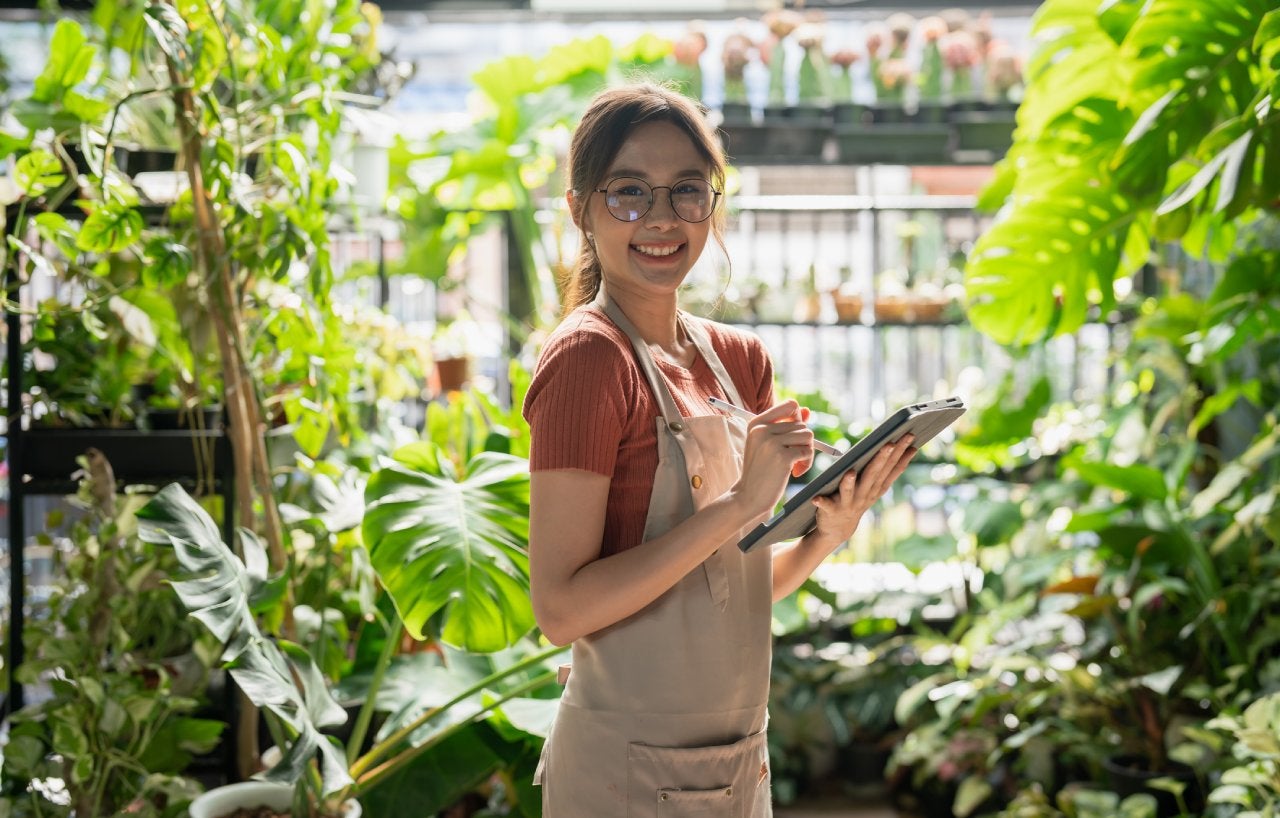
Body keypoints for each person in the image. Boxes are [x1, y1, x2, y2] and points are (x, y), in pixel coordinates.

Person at [522, 82, 917, 816]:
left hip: (738, 764)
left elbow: (725, 592)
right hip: (623, 774)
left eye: (687, 192)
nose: (663, 220)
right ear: (579, 208)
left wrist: (826, 536)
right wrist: (740, 504)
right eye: (629, 192)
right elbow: (562, 609)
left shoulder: (738, 359)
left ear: (715, 202)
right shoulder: (588, 360)